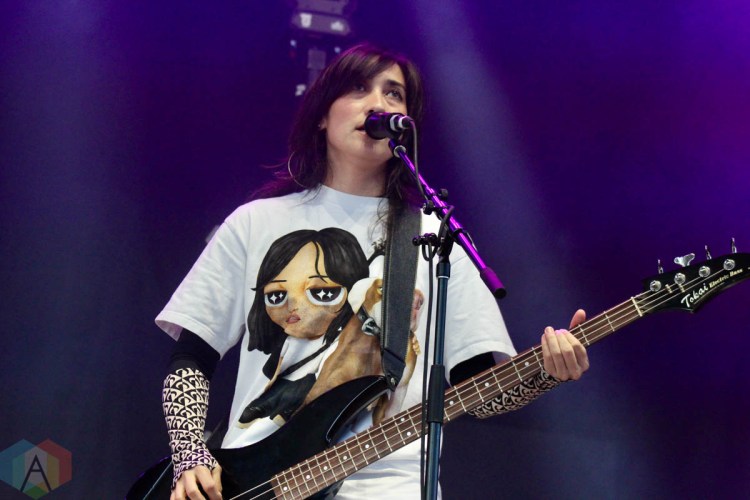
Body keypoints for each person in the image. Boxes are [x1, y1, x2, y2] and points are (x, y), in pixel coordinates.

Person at [156, 43, 589, 500]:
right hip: (257, 485)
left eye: (394, 94)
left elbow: (481, 391)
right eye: (359, 89)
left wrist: (548, 371)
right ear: (322, 115)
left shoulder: (435, 235)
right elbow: (192, 358)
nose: (378, 104)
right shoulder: (256, 223)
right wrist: (189, 454)